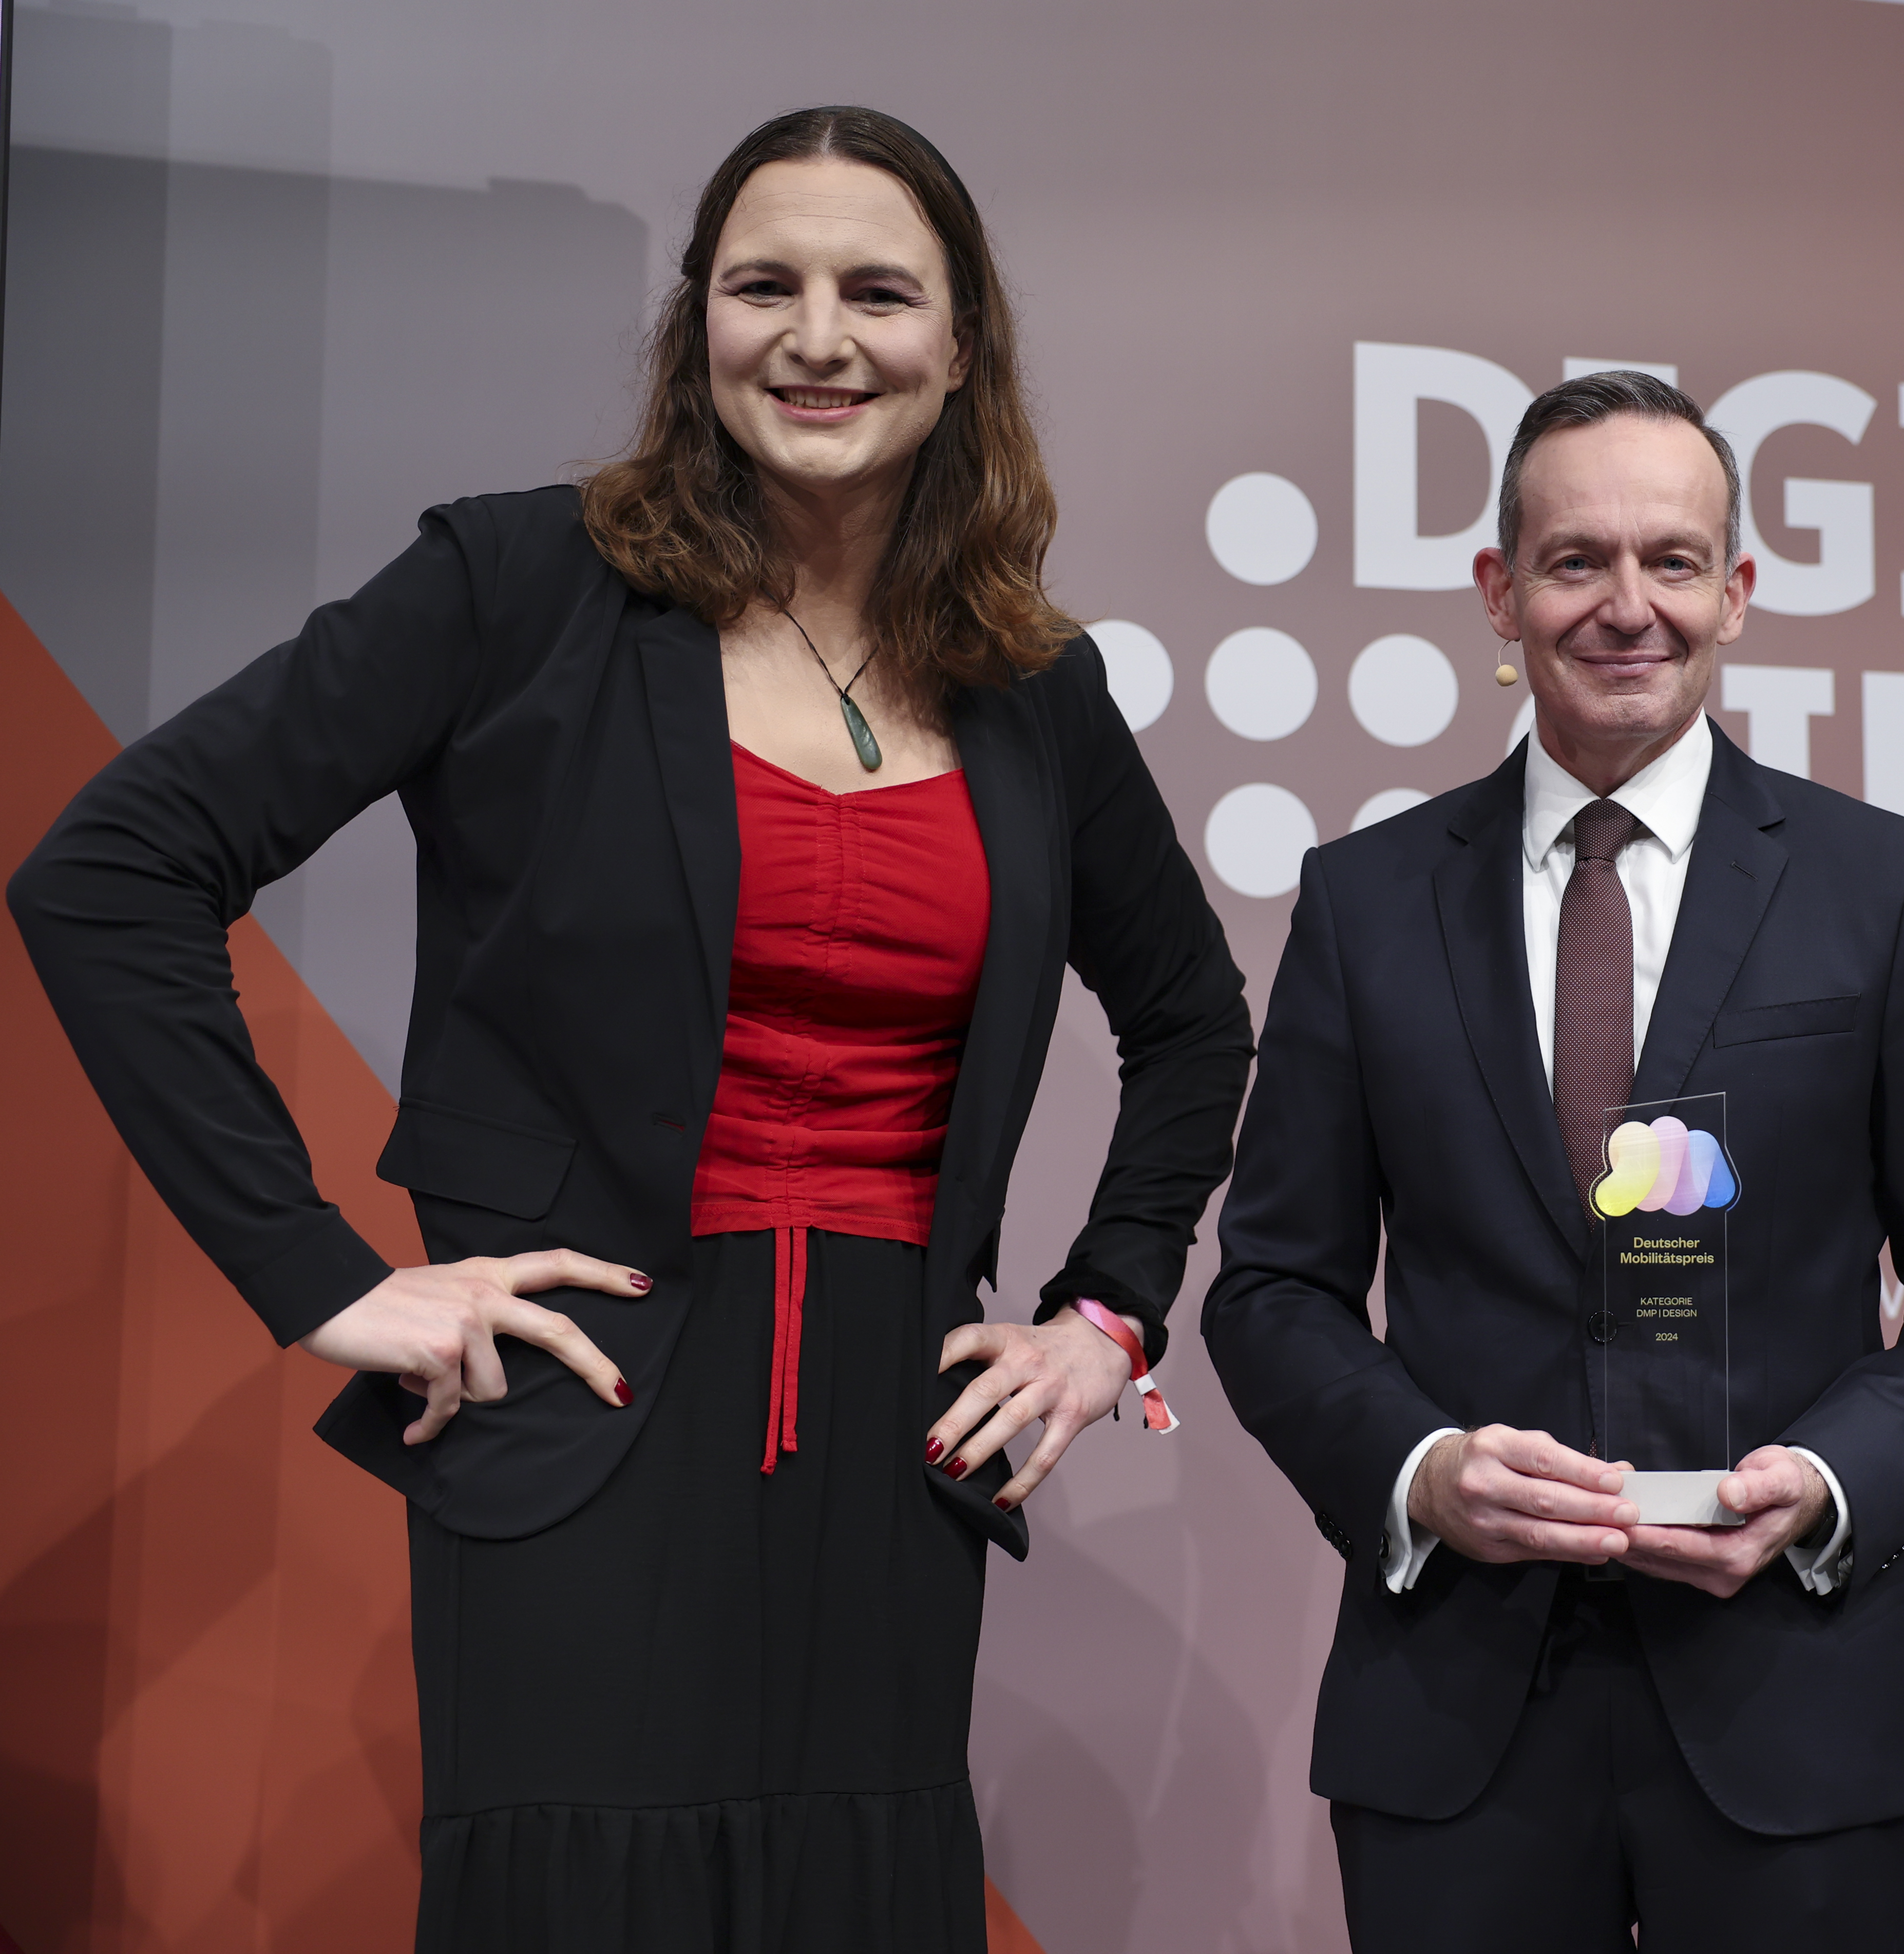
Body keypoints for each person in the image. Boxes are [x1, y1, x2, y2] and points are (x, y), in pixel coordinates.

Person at [9, 106, 1249, 1951]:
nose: (817, 337)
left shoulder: (1031, 683)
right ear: (699, 327)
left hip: (892, 1463)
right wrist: (325, 1278)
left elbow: (1193, 1021)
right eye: (766, 285)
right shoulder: (516, 588)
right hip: (578, 1423)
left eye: (877, 292)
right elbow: (111, 871)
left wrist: (1103, 1313)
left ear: (962, 343)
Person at [1202, 370, 1904, 1952]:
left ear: (1736, 595)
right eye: (1575, 560)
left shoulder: (1884, 892)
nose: (1626, 607)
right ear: (1499, 591)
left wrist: (1823, 1485)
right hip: (1456, 1711)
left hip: (1793, 1703)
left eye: (1672, 561)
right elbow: (1272, 1287)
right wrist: (1417, 1473)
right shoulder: (1365, 902)